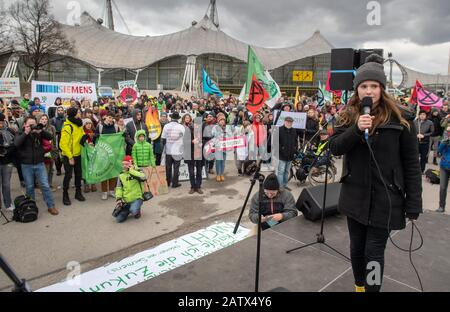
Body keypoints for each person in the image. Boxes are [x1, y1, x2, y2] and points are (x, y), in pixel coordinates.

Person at [329, 54, 422, 292]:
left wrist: (414, 203)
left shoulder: (403, 119)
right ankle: (359, 286)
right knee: (357, 248)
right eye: (363, 86)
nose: (368, 91)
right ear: (357, 89)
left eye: (374, 86)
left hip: (386, 199)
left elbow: (411, 164)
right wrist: (356, 129)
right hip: (355, 197)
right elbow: (335, 147)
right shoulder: (347, 115)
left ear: (382, 88)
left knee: (373, 251)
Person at [14, 117, 59, 216]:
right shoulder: (20, 133)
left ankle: (51, 206)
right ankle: (31, 207)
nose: (32, 126)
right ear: (24, 125)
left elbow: (50, 137)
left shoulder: (38, 132)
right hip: (26, 165)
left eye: (34, 124)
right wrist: (26, 132)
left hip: (39, 163)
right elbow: (16, 144)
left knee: (45, 185)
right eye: (30, 124)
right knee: (29, 187)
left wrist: (41, 131)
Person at [60, 108, 86, 206]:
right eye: (78, 112)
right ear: (74, 115)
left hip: (78, 154)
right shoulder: (67, 127)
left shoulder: (79, 124)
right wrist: (70, 157)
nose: (80, 114)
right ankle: (65, 194)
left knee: (78, 174)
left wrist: (85, 138)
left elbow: (81, 136)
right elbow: (63, 144)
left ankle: (78, 193)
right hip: (68, 156)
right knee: (68, 175)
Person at [95, 111, 120, 200]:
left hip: (113, 153)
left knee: (112, 172)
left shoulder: (116, 127)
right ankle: (104, 192)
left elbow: (119, 138)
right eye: (109, 117)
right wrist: (97, 136)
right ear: (105, 117)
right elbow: (95, 137)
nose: (110, 119)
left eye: (112, 118)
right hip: (103, 154)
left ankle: (112, 191)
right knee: (104, 172)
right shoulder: (100, 126)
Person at [114, 156, 146, 223]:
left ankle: (136, 210)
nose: (124, 166)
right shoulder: (121, 175)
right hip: (126, 200)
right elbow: (119, 188)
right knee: (118, 220)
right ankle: (128, 209)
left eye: (126, 164)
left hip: (137, 197)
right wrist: (119, 198)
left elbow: (143, 178)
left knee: (134, 210)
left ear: (131, 163)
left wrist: (131, 170)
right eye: (123, 164)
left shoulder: (138, 170)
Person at [161, 112, 185, 188]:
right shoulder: (181, 127)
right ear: (178, 119)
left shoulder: (166, 126)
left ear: (171, 118)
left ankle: (168, 182)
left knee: (168, 167)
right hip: (178, 151)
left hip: (169, 150)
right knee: (176, 167)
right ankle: (175, 183)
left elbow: (163, 138)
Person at [182, 114, 205, 194]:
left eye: (199, 124)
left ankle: (198, 187)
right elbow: (184, 141)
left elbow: (205, 140)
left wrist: (202, 143)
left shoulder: (202, 131)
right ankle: (192, 186)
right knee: (191, 172)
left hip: (199, 154)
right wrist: (191, 142)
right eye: (196, 124)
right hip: (190, 154)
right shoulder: (188, 129)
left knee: (199, 171)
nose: (197, 126)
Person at [275, 116, 298, 191]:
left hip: (290, 155)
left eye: (290, 122)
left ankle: (284, 185)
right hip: (282, 155)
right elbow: (276, 142)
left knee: (287, 171)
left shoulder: (294, 130)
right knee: (280, 172)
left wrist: (295, 150)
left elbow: (295, 142)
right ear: (284, 121)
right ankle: (280, 186)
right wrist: (281, 150)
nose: (289, 123)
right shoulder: (279, 130)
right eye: (287, 122)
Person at [0, 113, 16, 211]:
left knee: (6, 184)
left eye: (1, 122)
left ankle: (8, 204)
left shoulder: (9, 131)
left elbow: (15, 144)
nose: (0, 125)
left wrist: (7, 151)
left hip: (7, 161)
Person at [37, 114, 57, 191]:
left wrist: (54, 150)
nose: (44, 120)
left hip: (50, 151)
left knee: (51, 169)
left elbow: (54, 140)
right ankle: (42, 187)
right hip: (41, 152)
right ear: (39, 120)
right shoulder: (37, 128)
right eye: (42, 119)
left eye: (45, 119)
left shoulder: (52, 128)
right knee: (43, 170)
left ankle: (49, 184)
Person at [80, 118, 97, 193]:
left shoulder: (93, 132)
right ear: (84, 125)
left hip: (93, 153)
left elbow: (97, 141)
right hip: (85, 153)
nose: (89, 125)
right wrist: (87, 143)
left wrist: (93, 144)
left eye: (90, 123)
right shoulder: (82, 132)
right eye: (87, 123)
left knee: (93, 167)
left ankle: (93, 183)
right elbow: (81, 142)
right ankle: (86, 184)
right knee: (85, 167)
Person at [437, 126, 450, 213]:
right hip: (444, 166)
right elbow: (439, 151)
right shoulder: (446, 136)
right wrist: (444, 142)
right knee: (442, 188)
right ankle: (441, 206)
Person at [51, 106, 66, 176]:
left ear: (63, 111)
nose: (60, 111)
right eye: (59, 110)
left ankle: (66, 169)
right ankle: (58, 169)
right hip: (57, 137)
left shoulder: (66, 119)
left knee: (65, 153)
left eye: (61, 110)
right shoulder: (53, 119)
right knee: (57, 155)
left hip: (64, 137)